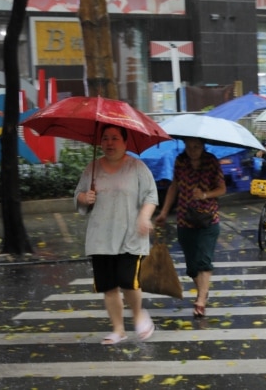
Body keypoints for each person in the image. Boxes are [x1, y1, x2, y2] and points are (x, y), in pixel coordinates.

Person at [75, 124, 159, 345]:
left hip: (130, 235)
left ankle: (139, 315)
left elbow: (151, 196)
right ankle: (118, 329)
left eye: (114, 138)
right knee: (108, 285)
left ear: (125, 142)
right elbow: (78, 196)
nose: (109, 143)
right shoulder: (91, 169)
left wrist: (144, 216)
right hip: (101, 237)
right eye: (105, 138)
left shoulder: (137, 168)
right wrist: (85, 198)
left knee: (127, 280)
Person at [154, 137, 226, 318]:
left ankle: (201, 299)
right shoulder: (181, 161)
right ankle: (203, 289)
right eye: (188, 146)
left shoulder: (211, 161)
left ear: (203, 146)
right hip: (185, 219)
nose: (192, 150)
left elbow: (222, 189)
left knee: (204, 260)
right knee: (192, 267)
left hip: (208, 219)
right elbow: (174, 186)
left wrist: (204, 195)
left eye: (196, 147)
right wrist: (164, 212)